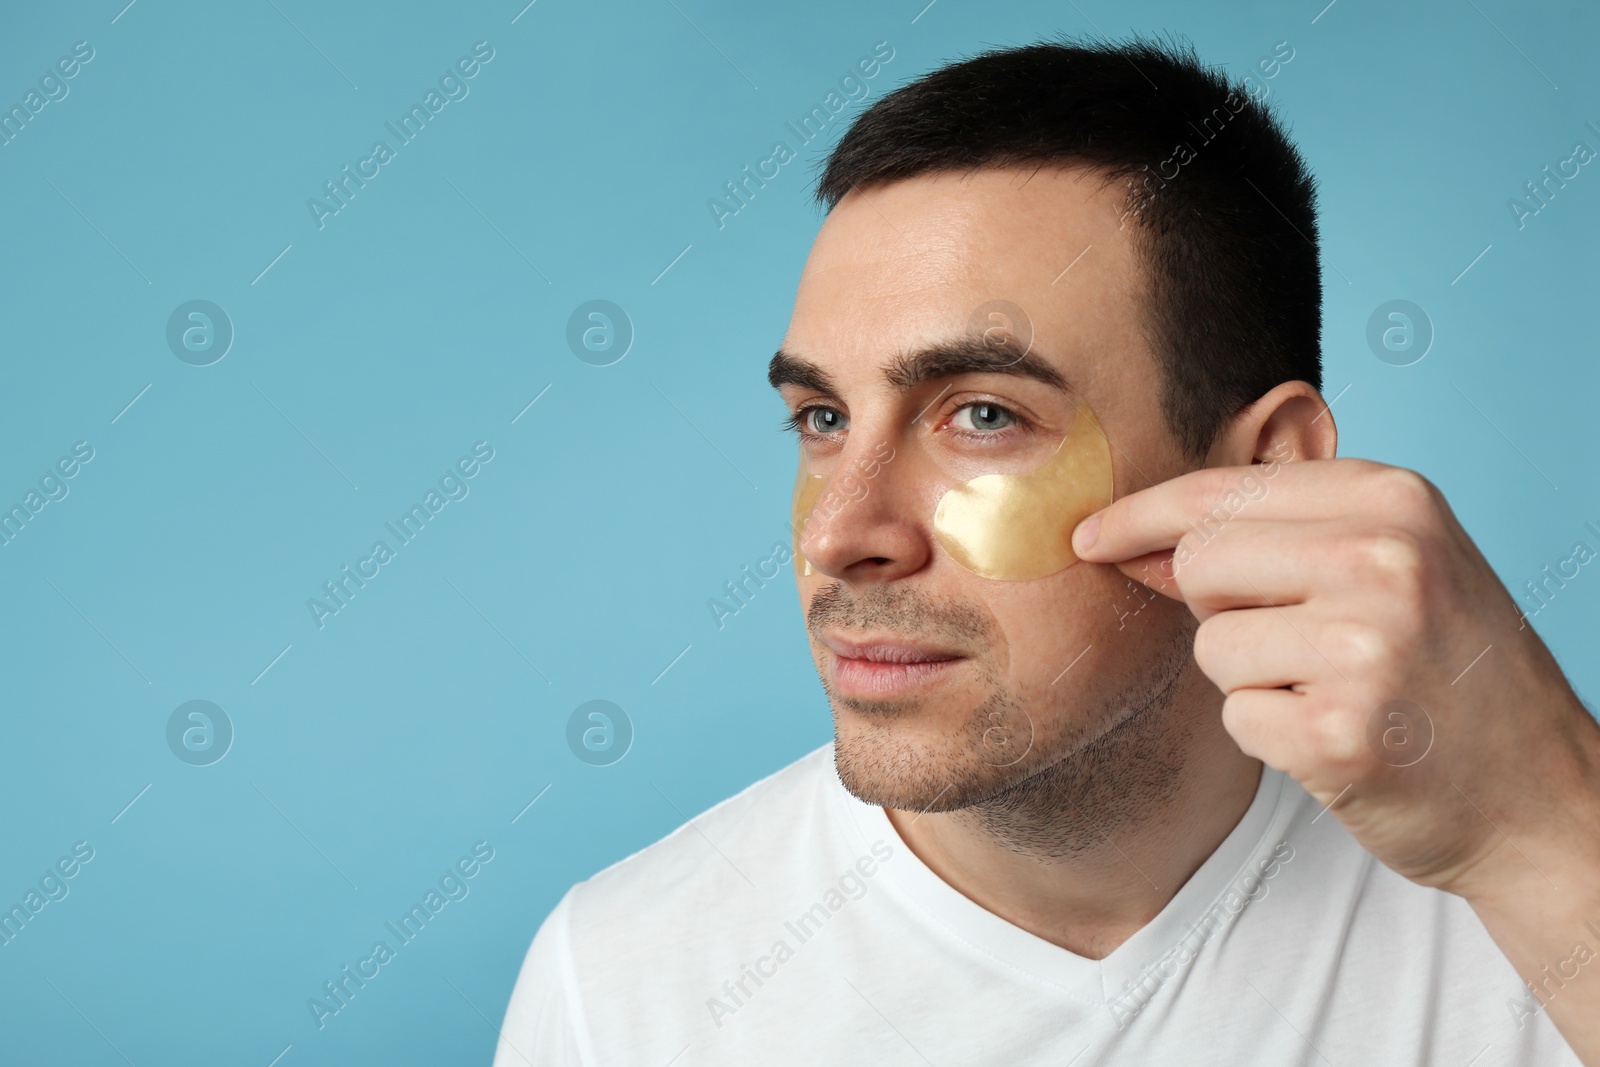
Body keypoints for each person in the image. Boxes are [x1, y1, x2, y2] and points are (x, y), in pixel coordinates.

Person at [493, 35, 1600, 1065]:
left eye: (982, 415)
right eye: (823, 419)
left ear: (1266, 470)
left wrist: (1548, 833)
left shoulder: (1533, 903)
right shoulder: (624, 985)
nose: (841, 534)